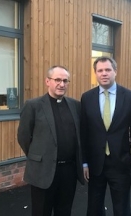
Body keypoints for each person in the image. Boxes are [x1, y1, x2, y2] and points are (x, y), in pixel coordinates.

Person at [17, 65, 85, 216]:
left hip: (69, 171)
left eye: (65, 81)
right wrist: (37, 156)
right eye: (58, 80)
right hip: (43, 170)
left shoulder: (75, 106)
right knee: (41, 212)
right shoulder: (33, 106)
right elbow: (23, 137)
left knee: (64, 211)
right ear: (47, 81)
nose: (62, 84)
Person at [81, 56, 131, 216]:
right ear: (95, 73)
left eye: (108, 70)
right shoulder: (87, 98)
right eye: (100, 70)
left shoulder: (130, 97)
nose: (104, 73)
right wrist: (84, 162)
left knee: (121, 209)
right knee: (94, 208)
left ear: (115, 71)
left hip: (120, 163)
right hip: (95, 164)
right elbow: (84, 133)